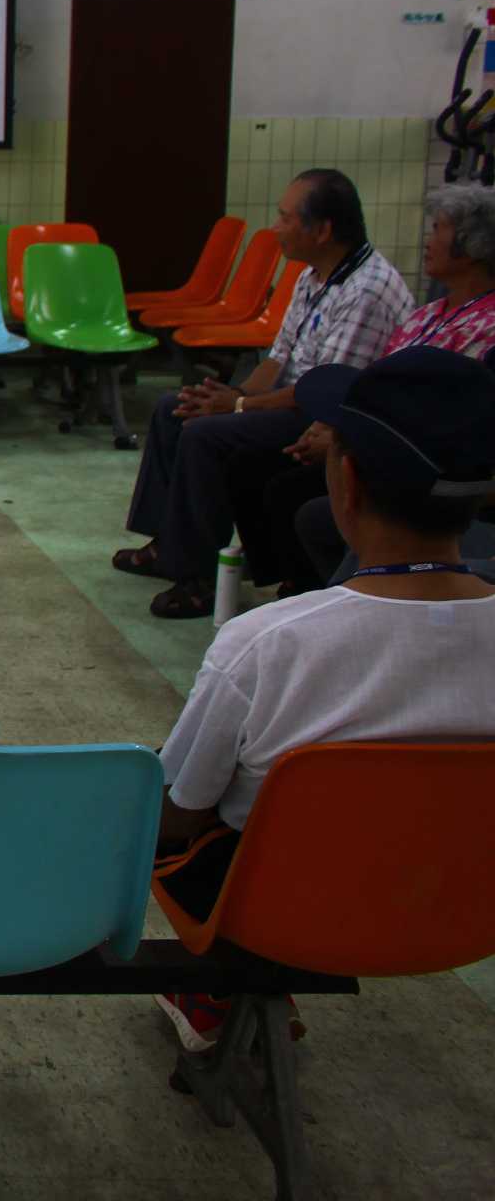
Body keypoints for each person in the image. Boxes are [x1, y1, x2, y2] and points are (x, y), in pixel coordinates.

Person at [151, 347, 495, 1050]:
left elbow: (178, 817)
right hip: (465, 910)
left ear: (348, 483)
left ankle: (218, 986)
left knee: (177, 795)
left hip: (282, 910)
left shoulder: (266, 645)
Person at [115, 169, 412, 617]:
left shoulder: (365, 290)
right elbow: (277, 359)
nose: (275, 229)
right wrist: (229, 393)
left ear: (322, 229)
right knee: (175, 407)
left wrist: (235, 408)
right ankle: (166, 545)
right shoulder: (313, 275)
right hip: (293, 398)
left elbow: (322, 392)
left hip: (328, 417)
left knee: (205, 435)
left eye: (285, 218)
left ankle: (198, 579)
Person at [248, 184, 495, 593]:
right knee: (286, 490)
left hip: (431, 478)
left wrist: (354, 443)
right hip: (390, 454)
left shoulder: (486, 329)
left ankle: (346, 597)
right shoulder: (430, 314)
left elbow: (448, 426)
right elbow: (378, 388)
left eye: (437, 230)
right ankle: (300, 590)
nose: (426, 240)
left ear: (473, 246)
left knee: (302, 491)